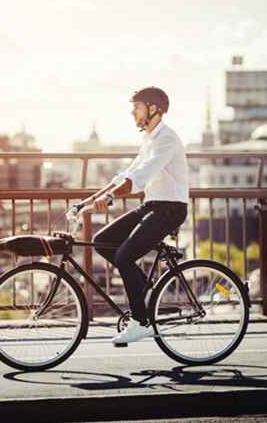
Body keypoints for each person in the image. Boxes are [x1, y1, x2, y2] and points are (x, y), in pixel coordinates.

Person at [77, 87, 189, 345]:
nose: (132, 112)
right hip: (152, 205)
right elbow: (125, 175)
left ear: (153, 109)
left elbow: (141, 177)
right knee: (102, 241)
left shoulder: (167, 139)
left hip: (170, 208)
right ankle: (143, 288)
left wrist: (111, 198)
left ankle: (141, 322)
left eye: (136, 107)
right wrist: (91, 200)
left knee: (125, 256)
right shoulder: (150, 139)